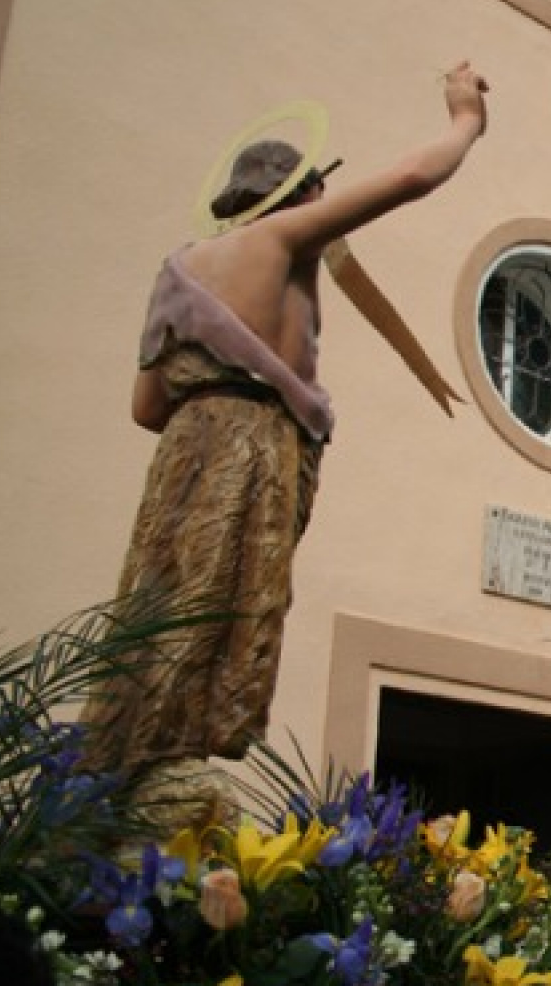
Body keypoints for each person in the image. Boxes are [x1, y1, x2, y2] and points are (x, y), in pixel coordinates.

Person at [79, 62, 490, 785]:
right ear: (298, 196)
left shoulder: (179, 272)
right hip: (254, 440)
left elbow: (146, 408)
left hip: (184, 449)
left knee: (167, 586)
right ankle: (173, 758)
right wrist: (465, 121)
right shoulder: (277, 241)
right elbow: (411, 177)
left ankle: (125, 755)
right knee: (230, 592)